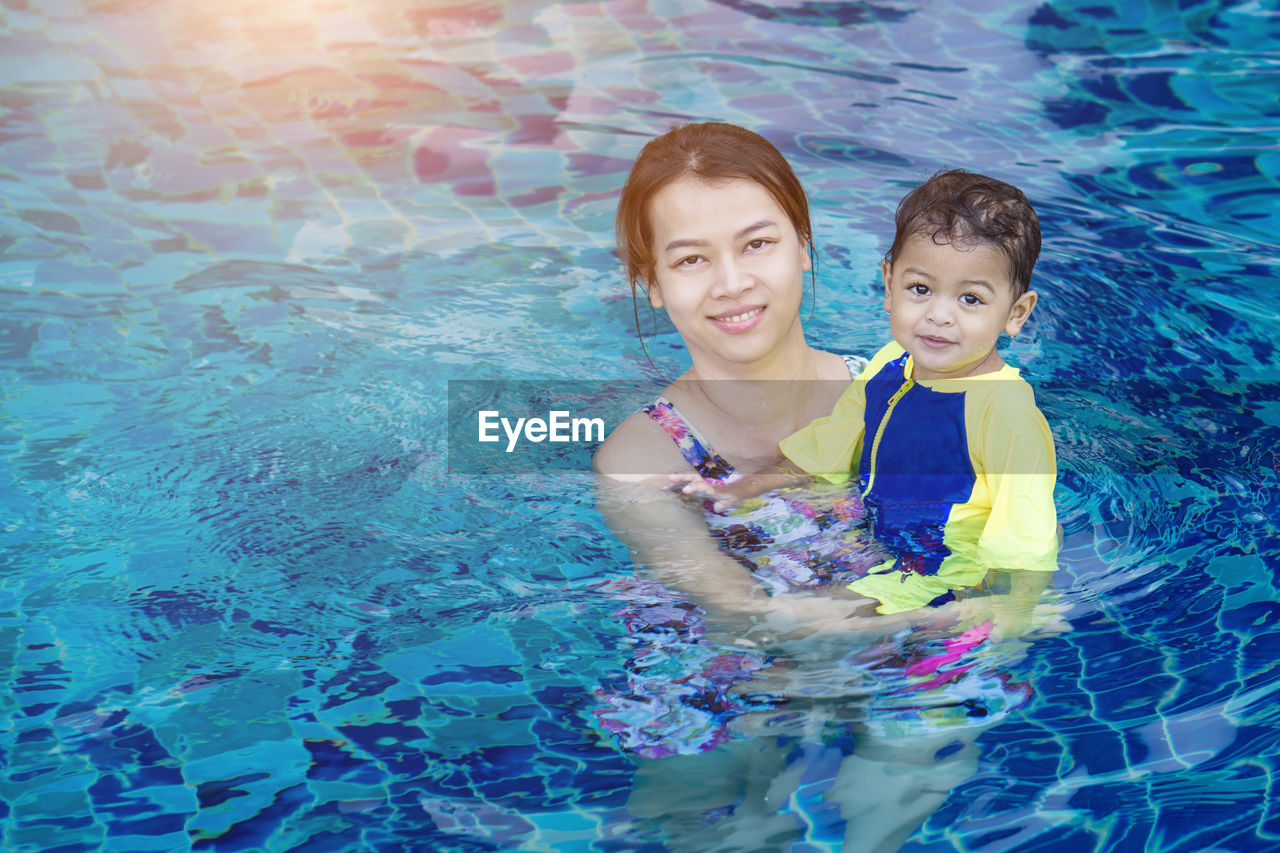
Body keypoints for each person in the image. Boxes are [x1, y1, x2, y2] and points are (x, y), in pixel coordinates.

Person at [592, 124, 1031, 853]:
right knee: (704, 788)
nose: (732, 281)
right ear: (651, 281)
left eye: (757, 243)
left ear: (803, 246)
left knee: (920, 742)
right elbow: (735, 607)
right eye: (691, 258)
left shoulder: (907, 391)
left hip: (882, 616)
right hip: (726, 645)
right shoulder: (640, 457)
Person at [777, 168, 1059, 631]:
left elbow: (1025, 543)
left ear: (1015, 314)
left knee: (803, 627)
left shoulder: (1005, 414)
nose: (938, 316)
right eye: (921, 289)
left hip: (944, 568)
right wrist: (750, 490)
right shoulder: (890, 363)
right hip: (875, 533)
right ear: (889, 285)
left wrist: (1010, 620)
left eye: (970, 299)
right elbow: (832, 446)